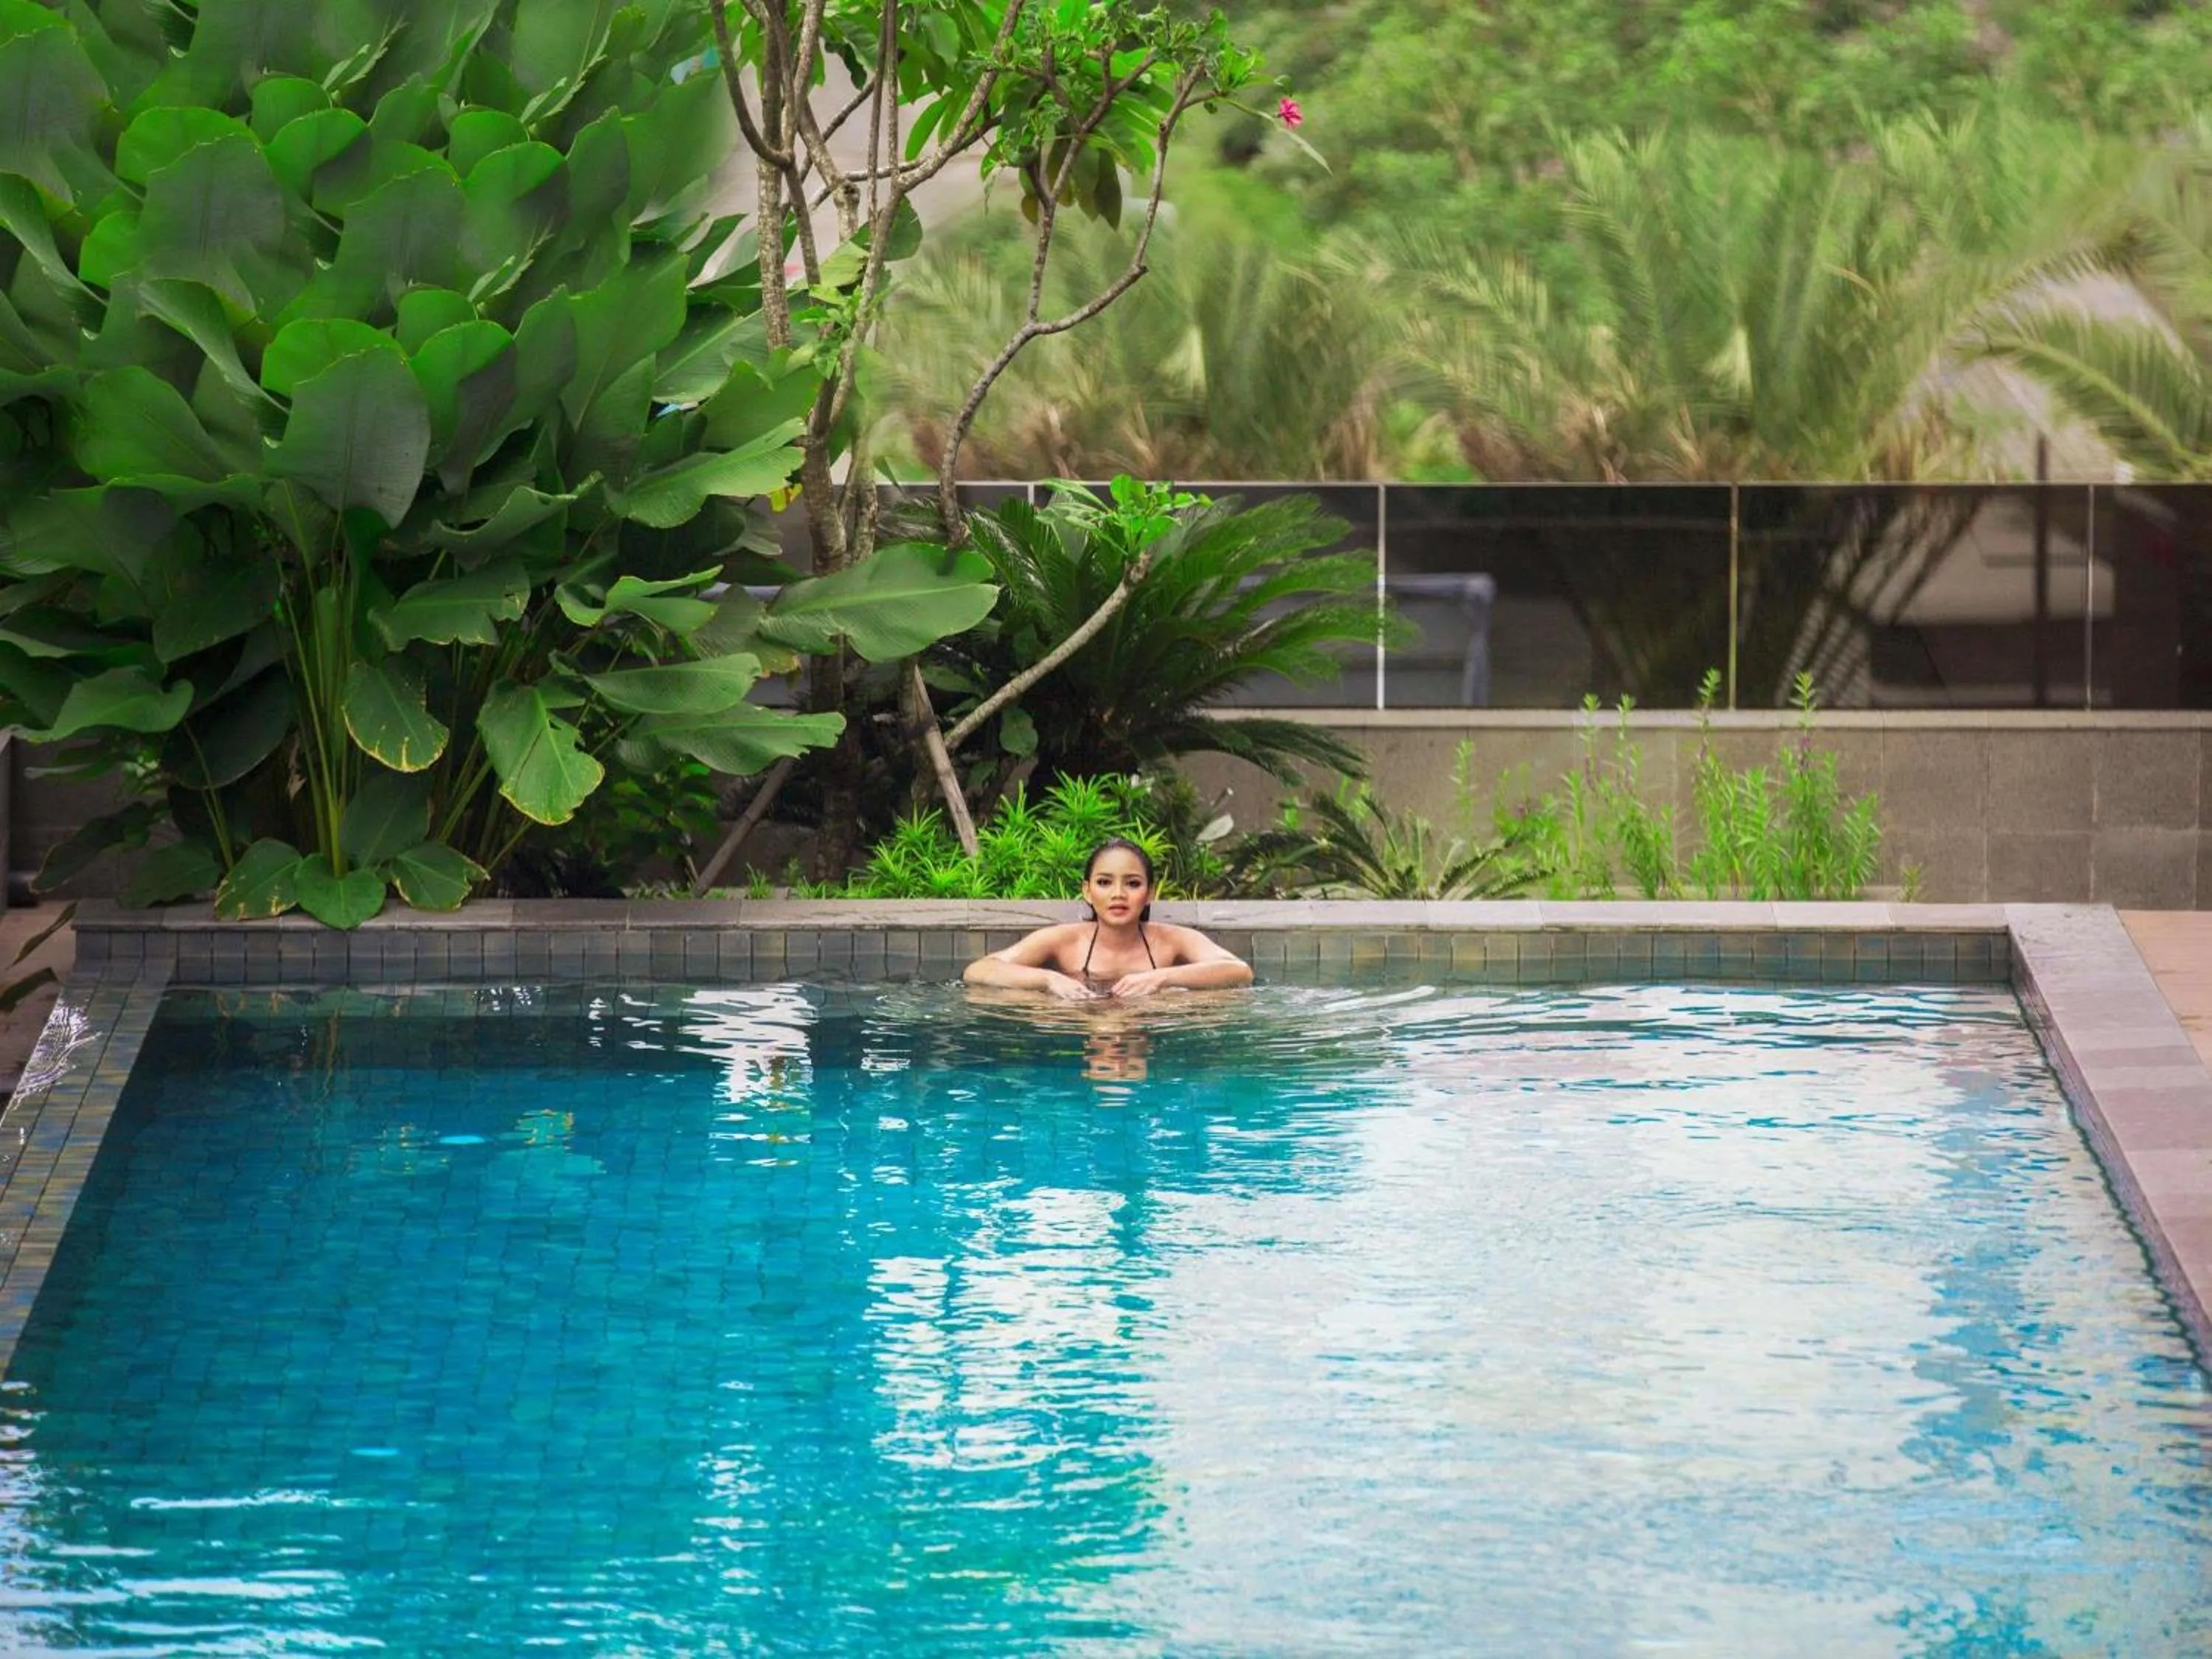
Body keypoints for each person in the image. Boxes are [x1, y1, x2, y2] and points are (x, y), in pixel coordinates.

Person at [962, 838, 1254, 1001]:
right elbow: (979, 971)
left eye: (1132, 884)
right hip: (1079, 1020)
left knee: (1212, 1002)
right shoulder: (1064, 940)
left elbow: (1239, 972)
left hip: (1152, 1019)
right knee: (1018, 1000)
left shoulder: (1172, 940)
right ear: (1087, 891)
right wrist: (1049, 979)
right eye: (1104, 883)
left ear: (1150, 893)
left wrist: (1160, 977)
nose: (1118, 894)